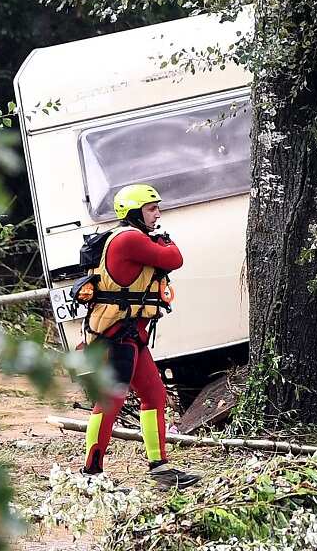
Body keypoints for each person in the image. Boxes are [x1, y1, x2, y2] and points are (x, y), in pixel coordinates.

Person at [81, 183, 200, 489]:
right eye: (151, 208)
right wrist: (165, 241)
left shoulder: (135, 236)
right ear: (133, 213)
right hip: (115, 335)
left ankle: (160, 467)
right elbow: (174, 258)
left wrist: (159, 239)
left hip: (131, 334)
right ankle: (91, 473)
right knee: (111, 400)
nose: (157, 213)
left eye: (156, 208)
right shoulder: (130, 239)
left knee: (155, 396)